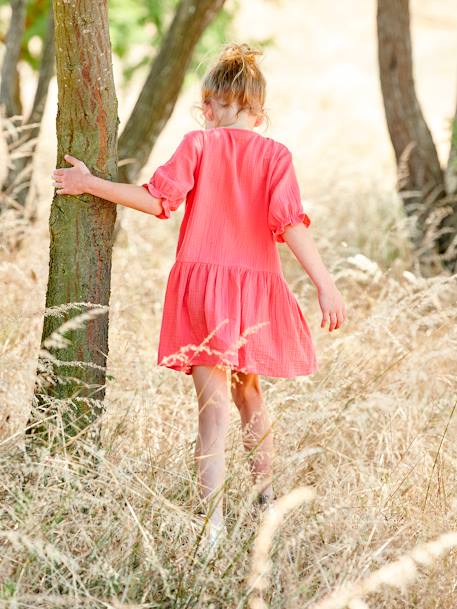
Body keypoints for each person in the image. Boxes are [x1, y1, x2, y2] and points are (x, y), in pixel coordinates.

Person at [51, 42, 346, 557]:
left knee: (212, 411)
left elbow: (156, 200)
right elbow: (291, 226)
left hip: (205, 292)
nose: (206, 113)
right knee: (249, 396)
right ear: (258, 109)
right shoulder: (275, 155)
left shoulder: (199, 144)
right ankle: (264, 502)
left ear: (213, 103)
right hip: (253, 293)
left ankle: (209, 528)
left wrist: (90, 184)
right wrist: (325, 284)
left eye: (208, 105)